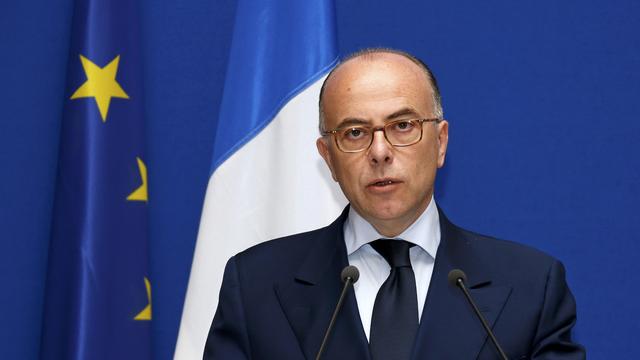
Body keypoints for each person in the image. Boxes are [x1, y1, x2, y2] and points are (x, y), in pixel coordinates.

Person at [203, 49, 585, 359]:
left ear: (440, 142)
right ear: (328, 157)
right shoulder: (255, 286)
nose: (380, 152)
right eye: (355, 133)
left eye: (403, 126)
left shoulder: (531, 286)